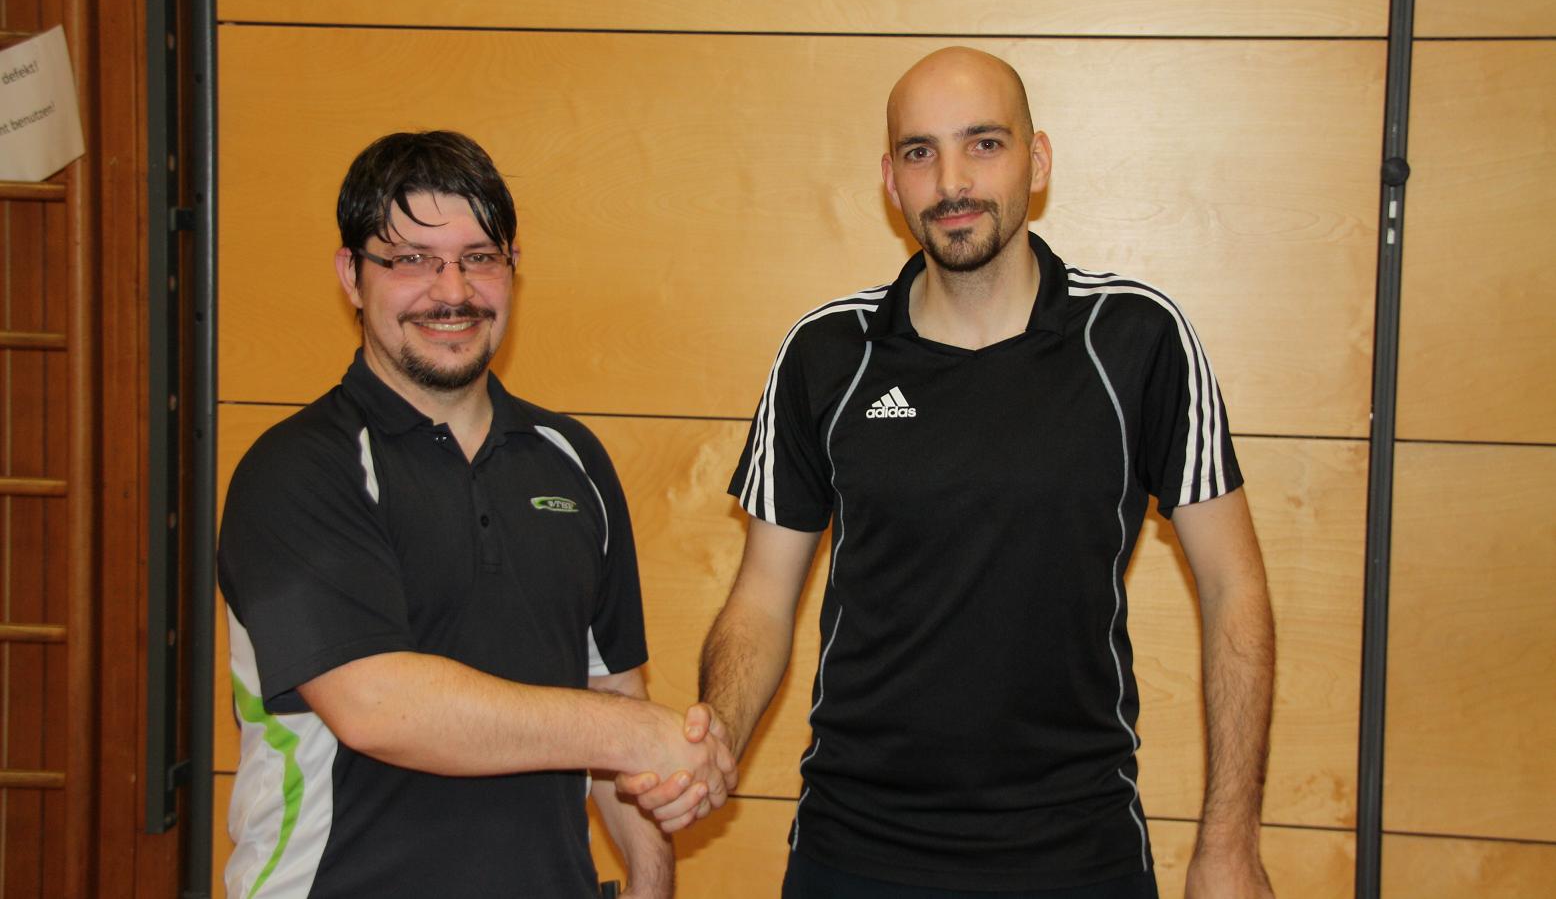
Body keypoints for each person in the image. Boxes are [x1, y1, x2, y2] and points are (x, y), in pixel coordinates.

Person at [628, 48, 1277, 898]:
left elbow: (1235, 588)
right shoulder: (827, 353)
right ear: (891, 182)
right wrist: (718, 733)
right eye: (920, 152)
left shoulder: (1137, 339)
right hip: (854, 852)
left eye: (984, 144)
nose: (952, 181)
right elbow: (761, 599)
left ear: (1036, 161)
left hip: (1078, 853)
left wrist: (1230, 844)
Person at [218, 131, 734, 898]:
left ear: (513, 268)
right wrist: (634, 732)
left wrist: (651, 877)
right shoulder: (297, 470)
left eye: (479, 257)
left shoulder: (573, 460)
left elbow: (609, 697)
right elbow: (378, 705)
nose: (452, 290)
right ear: (351, 275)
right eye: (411, 259)